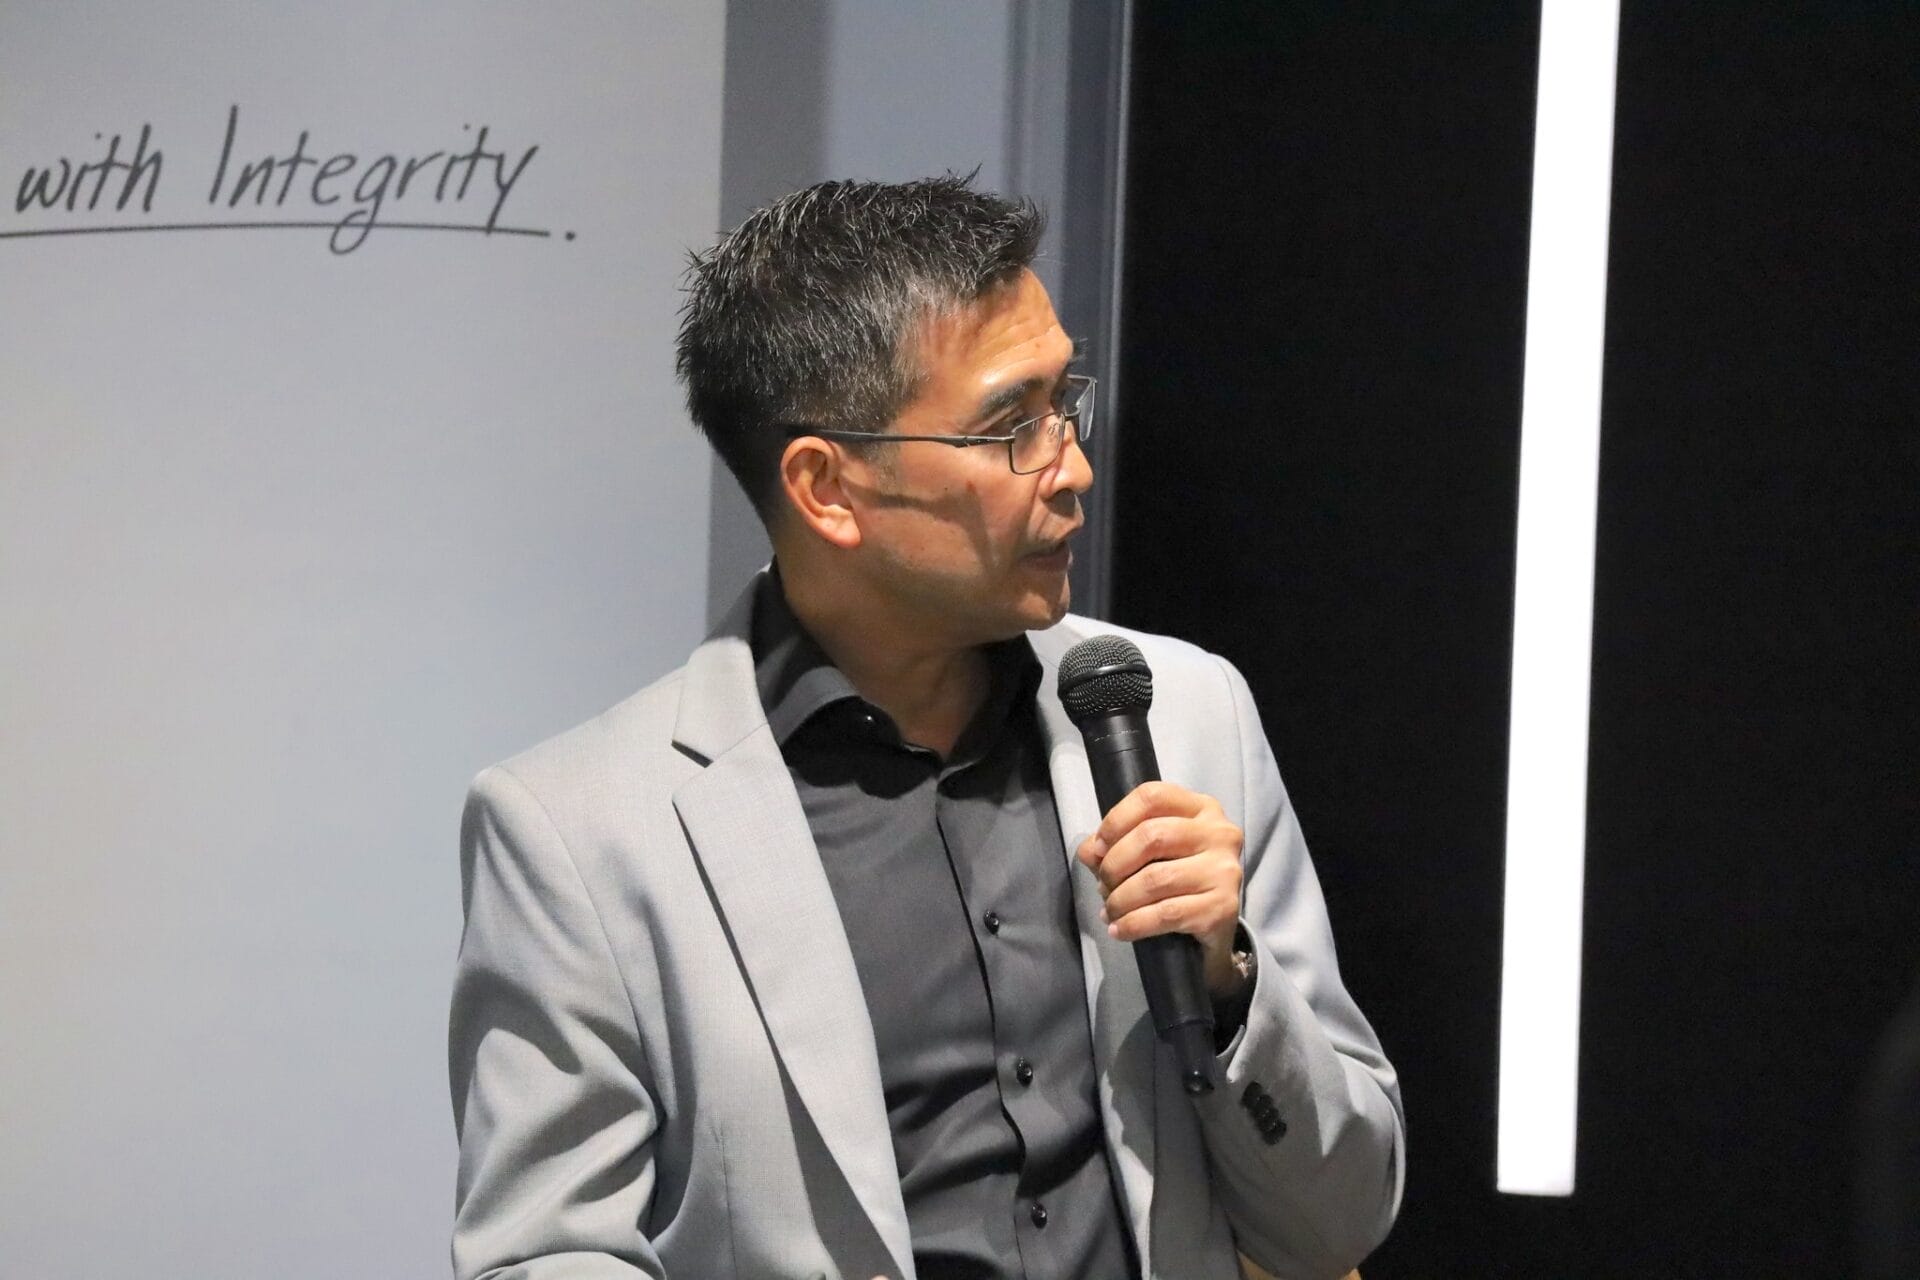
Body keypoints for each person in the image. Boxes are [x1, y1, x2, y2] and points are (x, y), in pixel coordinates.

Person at [448, 176, 1403, 1280]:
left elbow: (1341, 1219)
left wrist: (1230, 985)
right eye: (1011, 428)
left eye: (1064, 402)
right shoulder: (582, 831)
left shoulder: (1183, 714)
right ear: (827, 487)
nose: (1073, 467)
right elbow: (544, 1251)